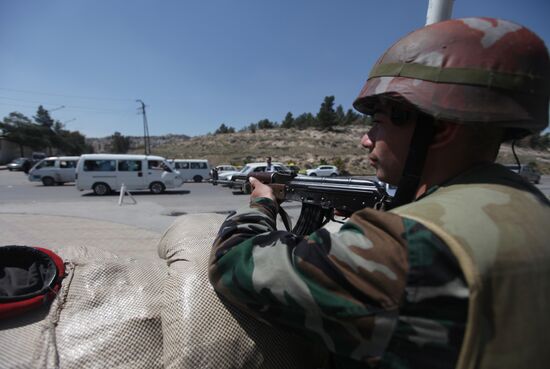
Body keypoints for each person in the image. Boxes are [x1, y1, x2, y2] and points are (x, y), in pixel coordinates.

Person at [209, 18, 550, 368]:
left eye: (380, 121)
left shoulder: (403, 246)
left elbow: (232, 264)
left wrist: (262, 202)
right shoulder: (533, 206)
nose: (366, 139)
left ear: (441, 128)